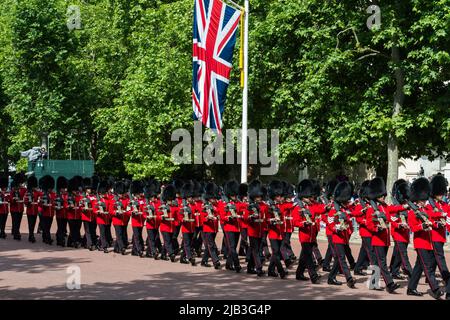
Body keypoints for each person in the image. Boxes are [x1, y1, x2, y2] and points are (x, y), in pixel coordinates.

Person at [365, 177, 404, 293]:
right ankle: (389, 283)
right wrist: (378, 228)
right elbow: (369, 224)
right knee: (382, 262)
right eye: (381, 196)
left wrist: (405, 206)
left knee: (377, 263)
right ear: (376, 196)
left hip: (385, 239)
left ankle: (373, 283)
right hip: (377, 239)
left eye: (384, 195)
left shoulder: (385, 206)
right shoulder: (371, 209)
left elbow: (394, 208)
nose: (383, 197)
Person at [406, 177, 443, 299]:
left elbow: (432, 218)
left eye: (424, 199)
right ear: (417, 199)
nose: (424, 202)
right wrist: (422, 225)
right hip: (420, 243)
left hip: (428, 242)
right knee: (427, 267)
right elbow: (413, 228)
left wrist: (437, 223)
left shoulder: (425, 210)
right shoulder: (412, 212)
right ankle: (435, 289)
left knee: (419, 267)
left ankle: (411, 288)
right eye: (422, 200)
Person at [325, 181, 356, 288]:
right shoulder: (334, 209)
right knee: (341, 258)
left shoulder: (344, 209)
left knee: (338, 259)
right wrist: (337, 228)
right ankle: (349, 278)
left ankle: (331, 278)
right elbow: (329, 222)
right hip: (336, 237)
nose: (347, 202)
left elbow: (349, 220)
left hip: (344, 237)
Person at [293, 179, 324, 284]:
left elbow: (320, 209)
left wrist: (328, 208)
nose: (311, 198)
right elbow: (295, 221)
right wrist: (303, 223)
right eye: (308, 197)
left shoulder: (312, 205)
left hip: (312, 235)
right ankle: (313, 276)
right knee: (309, 257)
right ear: (302, 197)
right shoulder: (298, 207)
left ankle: (299, 273)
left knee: (304, 256)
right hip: (304, 235)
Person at [426, 174, 450, 284]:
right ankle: (447, 278)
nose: (441, 195)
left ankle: (428, 276)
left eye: (442, 193)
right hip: (433, 234)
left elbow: (448, 217)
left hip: (441, 235)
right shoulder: (430, 205)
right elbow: (428, 216)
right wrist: (439, 219)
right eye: (439, 193)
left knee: (432, 258)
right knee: (440, 257)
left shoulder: (444, 204)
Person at [389, 180, 413, 280]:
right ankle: (411, 273)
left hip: (405, 233)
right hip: (398, 233)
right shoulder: (395, 206)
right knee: (403, 254)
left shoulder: (406, 206)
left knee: (397, 253)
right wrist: (400, 225)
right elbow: (393, 221)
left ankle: (394, 270)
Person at [244, 180, 267, 277]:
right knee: (255, 250)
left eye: (260, 196)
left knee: (257, 250)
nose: (259, 198)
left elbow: (266, 217)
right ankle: (259, 268)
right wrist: (251, 217)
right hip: (252, 231)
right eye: (257, 196)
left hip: (261, 231)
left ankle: (250, 268)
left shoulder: (264, 206)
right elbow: (245, 218)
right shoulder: (249, 206)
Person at [200, 182, 221, 269]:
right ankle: (215, 261)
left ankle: (204, 261)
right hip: (207, 228)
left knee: (209, 245)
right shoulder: (204, 206)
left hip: (214, 228)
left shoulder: (216, 205)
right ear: (209, 198)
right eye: (213, 198)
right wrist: (208, 218)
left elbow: (219, 214)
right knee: (211, 245)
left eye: (214, 198)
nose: (214, 199)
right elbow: (202, 218)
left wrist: (218, 216)